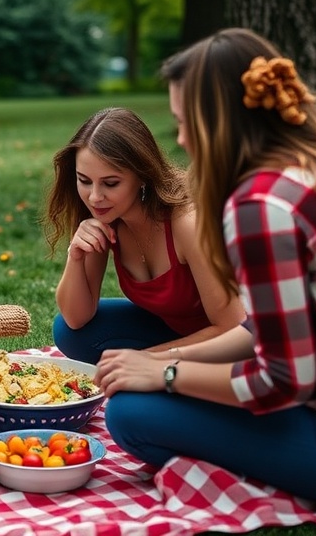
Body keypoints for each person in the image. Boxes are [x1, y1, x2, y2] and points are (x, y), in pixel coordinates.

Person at [94, 28, 316, 508]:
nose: (179, 139)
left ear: (219, 121)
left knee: (132, 414)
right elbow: (260, 330)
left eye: (185, 122)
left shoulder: (261, 206)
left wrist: (167, 374)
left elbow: (283, 381)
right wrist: (154, 360)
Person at [43, 107, 245, 365]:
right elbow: (76, 318)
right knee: (70, 333)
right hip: (175, 332)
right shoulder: (104, 215)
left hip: (234, 347)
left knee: (127, 406)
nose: (94, 196)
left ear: (142, 176)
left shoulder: (186, 223)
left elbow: (233, 327)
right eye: (84, 180)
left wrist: (146, 360)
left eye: (111, 183)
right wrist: (76, 255)